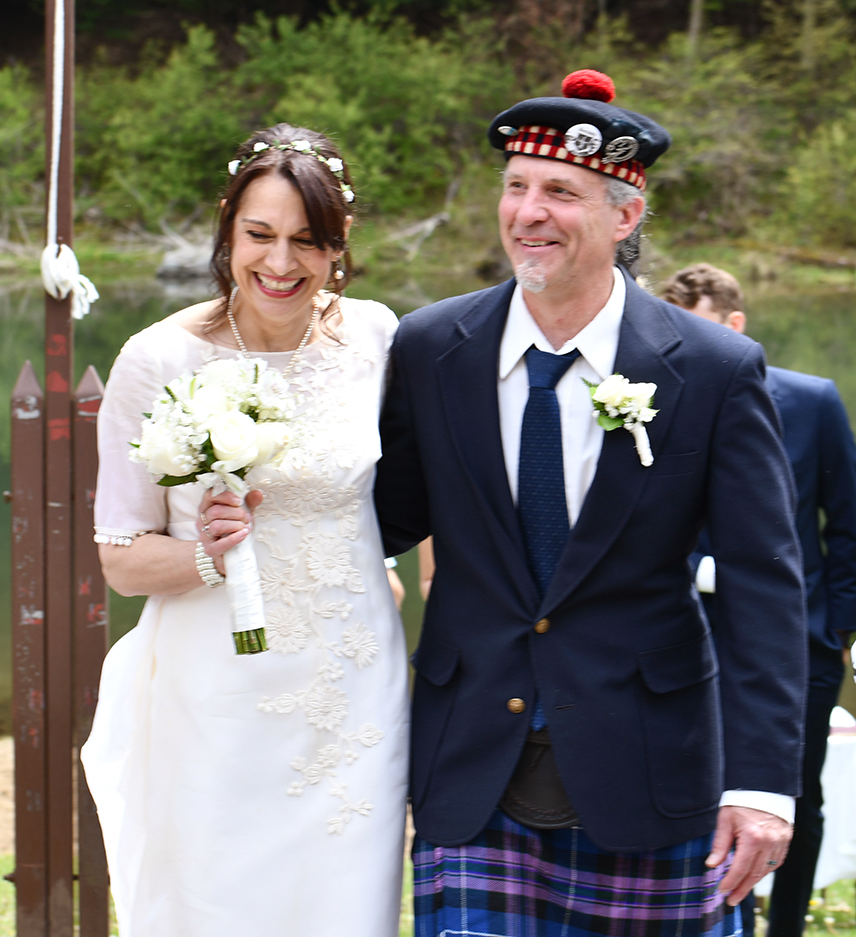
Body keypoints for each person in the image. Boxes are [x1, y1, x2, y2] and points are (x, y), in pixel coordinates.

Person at [374, 69, 807, 937]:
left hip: (654, 769)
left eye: (560, 192)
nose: (527, 212)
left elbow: (763, 581)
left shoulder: (715, 370)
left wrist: (762, 786)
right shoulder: (430, 349)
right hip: (473, 771)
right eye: (516, 187)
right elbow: (380, 522)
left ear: (625, 215)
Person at [80, 124, 409, 937]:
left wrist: (403, 571)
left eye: (308, 241)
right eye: (260, 235)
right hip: (216, 688)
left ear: (338, 246)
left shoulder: (376, 339)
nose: (281, 263)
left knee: (344, 905)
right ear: (227, 233)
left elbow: (418, 495)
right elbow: (119, 560)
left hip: (351, 688)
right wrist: (205, 553)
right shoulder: (158, 358)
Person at [664, 262, 856, 937]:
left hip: (799, 641)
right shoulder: (655, 401)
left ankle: (785, 929)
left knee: (796, 793)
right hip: (689, 638)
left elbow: (846, 522)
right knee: (704, 792)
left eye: (701, 328)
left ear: (735, 324)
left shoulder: (811, 401)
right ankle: (722, 917)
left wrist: (836, 625)